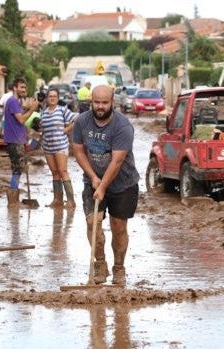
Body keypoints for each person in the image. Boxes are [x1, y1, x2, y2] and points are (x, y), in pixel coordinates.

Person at [72, 85, 140, 285]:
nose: (100, 107)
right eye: (96, 102)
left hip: (123, 183)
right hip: (93, 179)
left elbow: (117, 161)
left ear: (112, 102)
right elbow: (78, 151)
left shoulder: (123, 126)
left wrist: (102, 187)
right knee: (93, 223)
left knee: (118, 227)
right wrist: (93, 178)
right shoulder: (82, 122)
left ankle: (119, 268)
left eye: (104, 102)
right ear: (91, 102)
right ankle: (100, 265)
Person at [3, 77, 39, 207]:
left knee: (18, 169)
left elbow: (21, 117)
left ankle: (14, 200)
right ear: (15, 88)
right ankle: (13, 202)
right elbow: (21, 120)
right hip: (14, 141)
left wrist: (28, 108)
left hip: (18, 139)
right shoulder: (12, 101)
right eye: (21, 87)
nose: (24, 90)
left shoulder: (16, 102)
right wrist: (32, 110)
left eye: (25, 87)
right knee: (17, 170)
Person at [40, 87, 79, 208]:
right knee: (55, 172)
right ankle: (58, 200)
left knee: (62, 171)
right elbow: (41, 128)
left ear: (57, 98)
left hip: (60, 146)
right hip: (48, 147)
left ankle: (71, 201)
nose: (52, 98)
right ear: (47, 98)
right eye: (50, 96)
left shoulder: (62, 110)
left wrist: (66, 129)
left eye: (54, 96)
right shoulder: (43, 113)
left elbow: (76, 119)